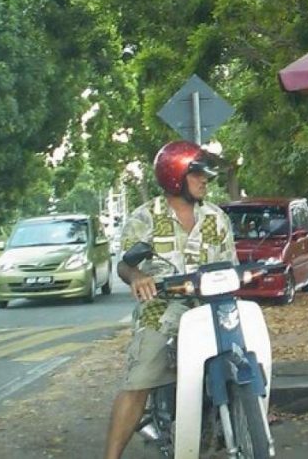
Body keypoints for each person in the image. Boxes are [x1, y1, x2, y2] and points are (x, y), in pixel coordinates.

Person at [103, 140, 236, 459]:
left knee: (244, 356)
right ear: (175, 176)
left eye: (206, 174)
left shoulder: (217, 218)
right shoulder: (145, 216)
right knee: (141, 376)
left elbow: (230, 264)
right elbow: (124, 264)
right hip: (162, 307)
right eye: (198, 174)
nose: (206, 180)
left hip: (212, 305)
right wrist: (137, 277)